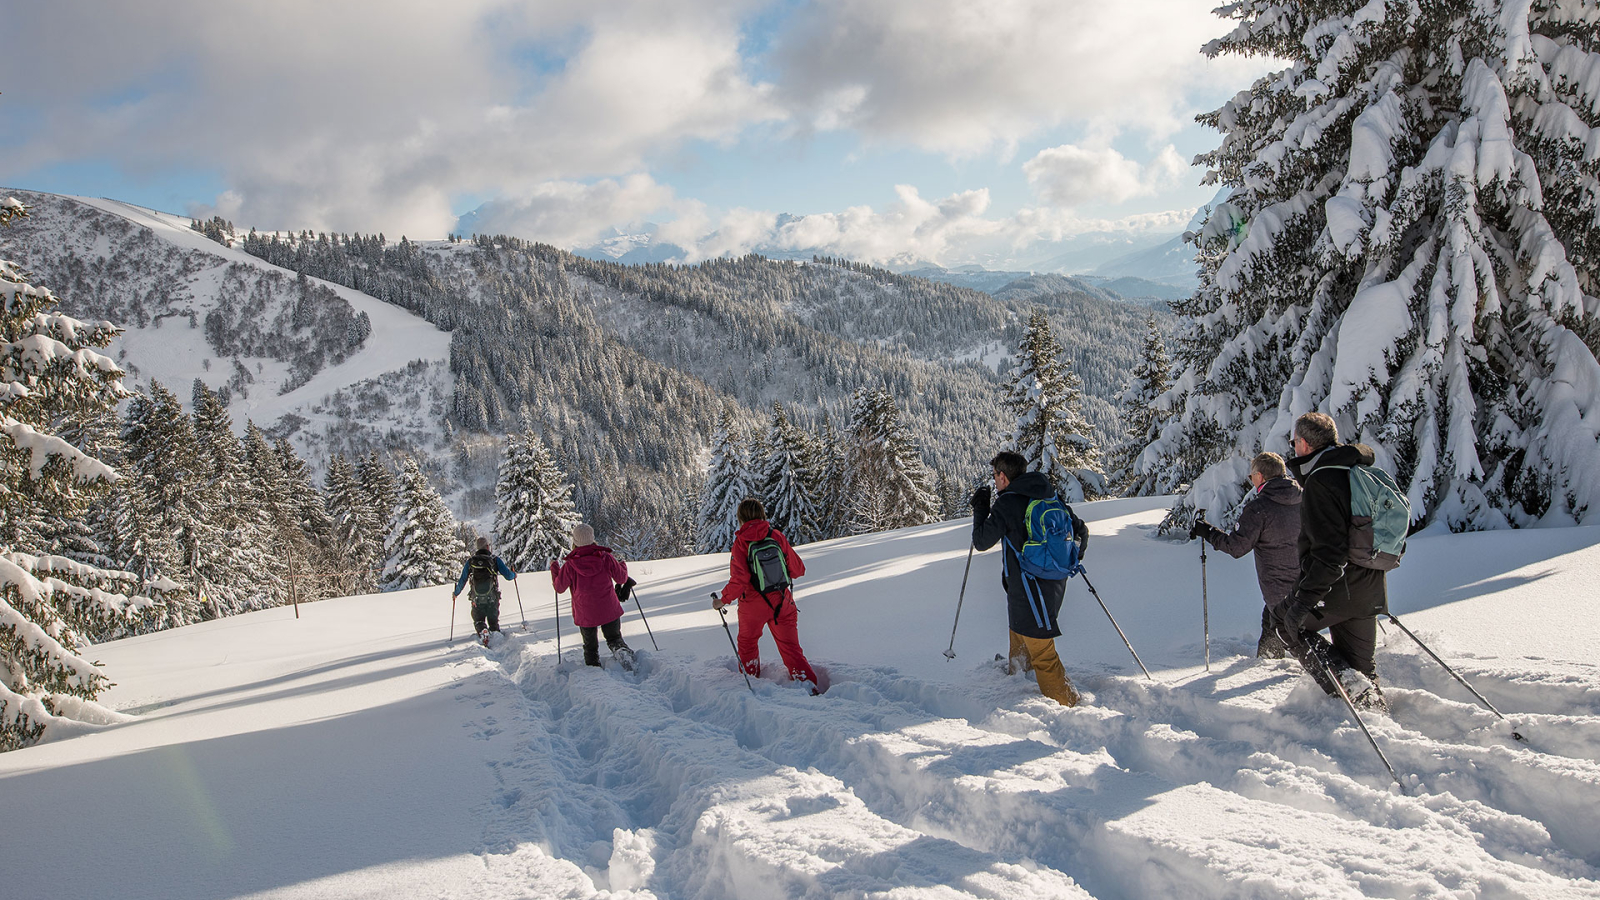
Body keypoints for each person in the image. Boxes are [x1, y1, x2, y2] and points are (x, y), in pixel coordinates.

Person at [1276, 412, 1389, 711]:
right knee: (1362, 667)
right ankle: (1379, 718)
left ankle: (1354, 691)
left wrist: (1304, 602)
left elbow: (1329, 553)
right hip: (1371, 585)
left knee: (1286, 624)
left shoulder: (1322, 480)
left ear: (1303, 444)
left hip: (1338, 589)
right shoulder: (1354, 469)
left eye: (1294, 442)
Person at [971, 451, 1083, 707]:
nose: (995, 482)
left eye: (995, 477)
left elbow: (981, 541)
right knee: (1019, 632)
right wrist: (1067, 562)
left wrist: (980, 507)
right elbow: (1080, 530)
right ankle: (1019, 674)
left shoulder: (1008, 503)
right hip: (1049, 584)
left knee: (1043, 654)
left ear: (1002, 476)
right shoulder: (1047, 495)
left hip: (1031, 591)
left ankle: (1072, 707)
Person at [1190, 451, 1302, 658]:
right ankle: (1271, 664)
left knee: (1287, 635)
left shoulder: (1260, 508)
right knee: (1272, 622)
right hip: (1305, 583)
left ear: (1260, 476)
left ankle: (1281, 671)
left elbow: (1236, 547)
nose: (1251, 481)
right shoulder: (1302, 498)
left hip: (1278, 587)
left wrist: (1207, 532)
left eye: (1251, 477)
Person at [712, 498, 819, 690]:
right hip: (782, 602)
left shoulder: (741, 543)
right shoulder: (776, 536)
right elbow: (798, 570)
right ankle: (808, 684)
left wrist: (723, 600)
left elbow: (740, 579)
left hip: (752, 606)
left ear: (741, 518)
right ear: (762, 514)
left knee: (747, 643)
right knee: (791, 648)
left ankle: (750, 682)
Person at [550, 524, 635, 669]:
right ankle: (623, 654)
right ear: (592, 538)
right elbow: (621, 579)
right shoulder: (605, 558)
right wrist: (622, 566)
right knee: (614, 638)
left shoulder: (570, 565)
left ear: (575, 541)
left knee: (590, 646)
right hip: (609, 607)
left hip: (585, 612)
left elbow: (559, 588)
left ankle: (593, 670)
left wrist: (554, 569)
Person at [453, 537, 516, 641]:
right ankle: (496, 638)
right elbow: (508, 576)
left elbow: (463, 580)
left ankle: (483, 631)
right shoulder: (494, 560)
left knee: (478, 620)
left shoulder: (471, 562)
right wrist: (514, 574)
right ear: (487, 547)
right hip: (492, 597)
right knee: (493, 621)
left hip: (476, 598)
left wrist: (456, 593)